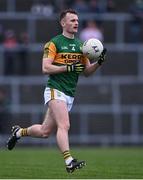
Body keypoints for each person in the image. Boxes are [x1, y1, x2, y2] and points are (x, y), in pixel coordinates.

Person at [7, 9, 106, 173]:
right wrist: (68, 67)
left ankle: (18, 132)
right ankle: (69, 162)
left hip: (69, 93)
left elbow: (87, 72)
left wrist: (99, 63)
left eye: (77, 20)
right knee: (64, 125)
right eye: (72, 20)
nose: (76, 23)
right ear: (63, 23)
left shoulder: (82, 46)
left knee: (45, 131)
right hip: (55, 89)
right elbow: (45, 68)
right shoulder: (54, 43)